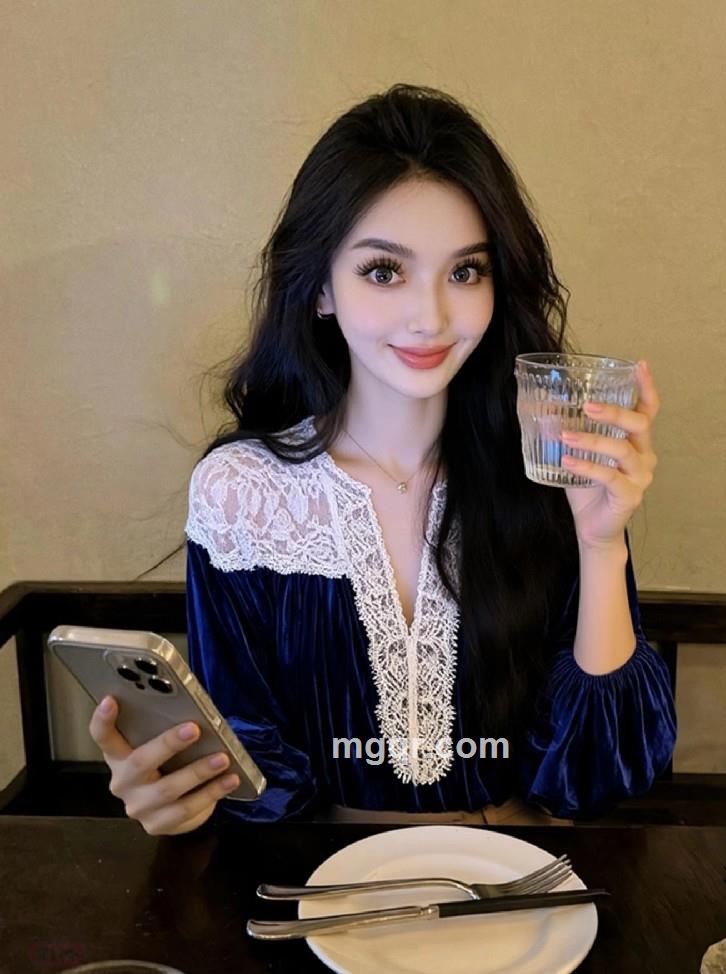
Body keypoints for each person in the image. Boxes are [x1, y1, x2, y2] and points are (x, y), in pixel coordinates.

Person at [89, 83, 677, 836]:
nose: (430, 316)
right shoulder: (244, 494)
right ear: (321, 289)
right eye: (383, 271)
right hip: (330, 884)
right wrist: (180, 800)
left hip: (522, 878)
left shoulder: (549, 466)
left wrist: (601, 544)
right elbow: (253, 780)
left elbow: (595, 776)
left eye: (465, 272)